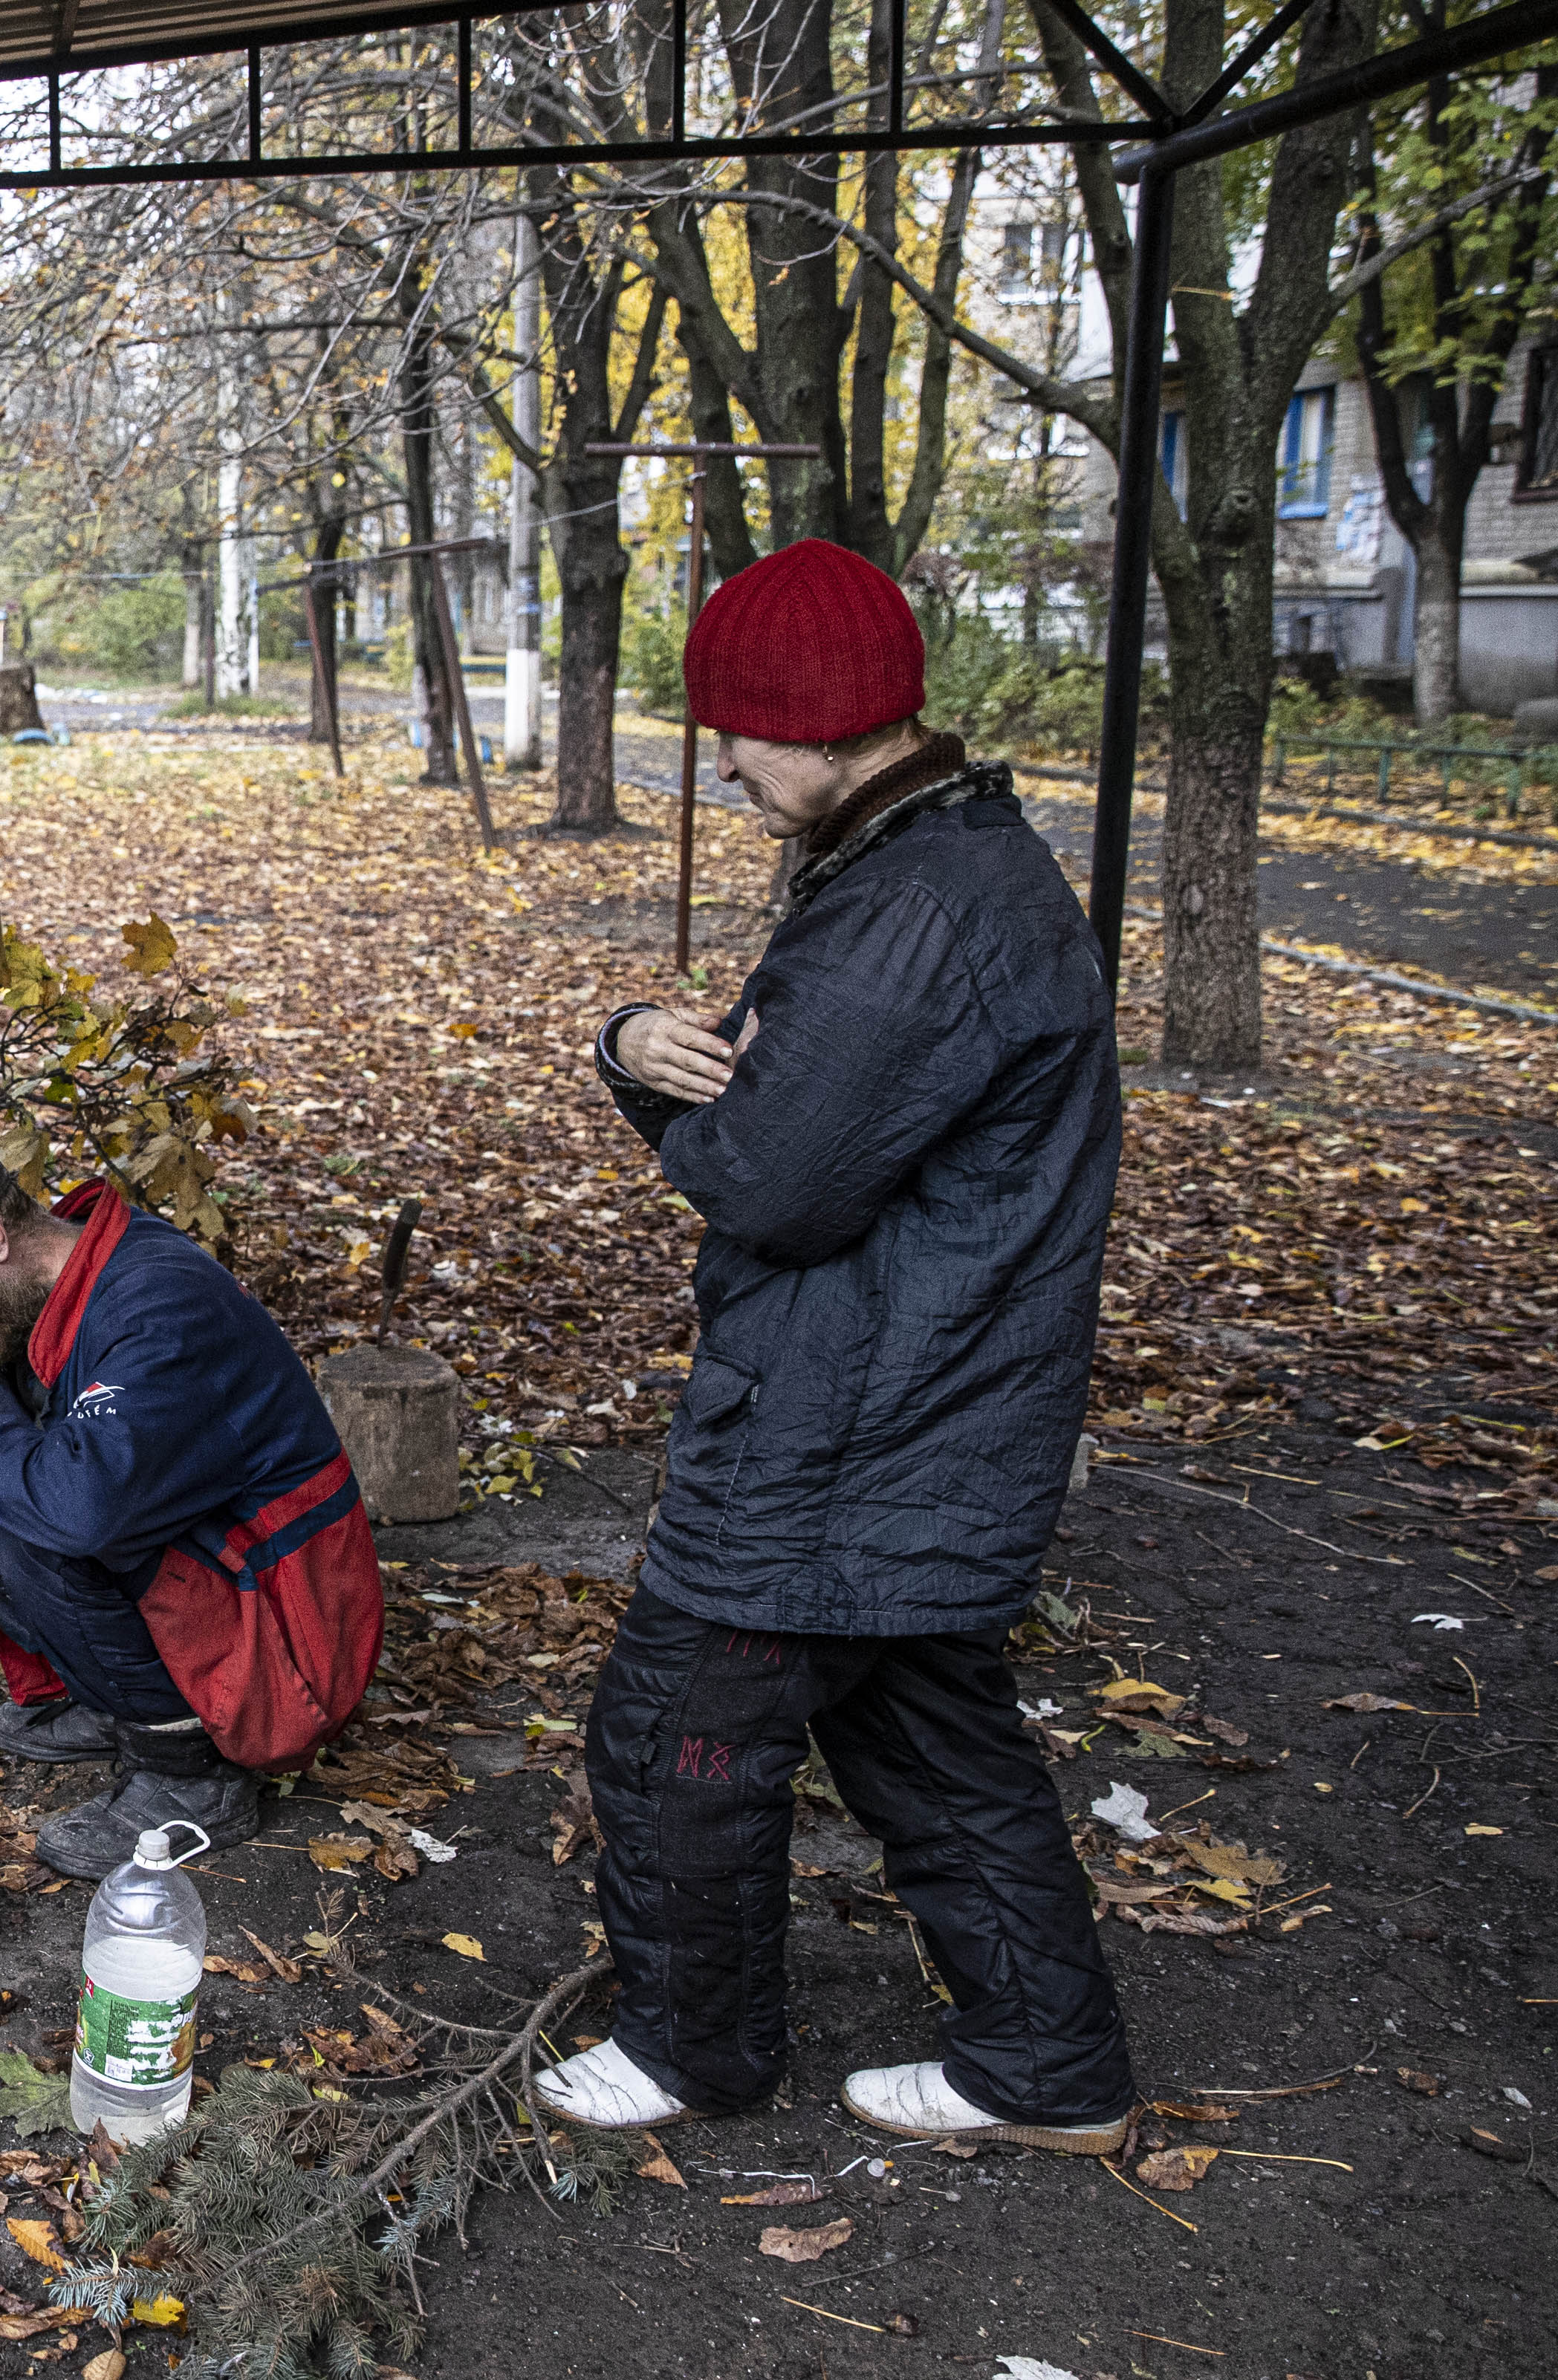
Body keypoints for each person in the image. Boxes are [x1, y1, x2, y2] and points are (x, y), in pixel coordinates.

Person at [532, 538, 1137, 2156]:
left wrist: (635, 1071)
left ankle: (693, 2046)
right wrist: (650, 1047)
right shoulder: (933, 865)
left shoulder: (914, 909)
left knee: (671, 1735)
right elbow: (794, 1099)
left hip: (851, 1421)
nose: (721, 765)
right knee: (925, 1733)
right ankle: (1048, 2065)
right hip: (932, 1402)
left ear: (817, 718)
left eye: (735, 732)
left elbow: (771, 1179)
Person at [0, 1136, 383, 1879]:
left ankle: (191, 1774)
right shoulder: (20, 1295)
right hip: (205, 1577)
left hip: (288, 1629)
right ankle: (114, 1701)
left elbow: (80, 1508)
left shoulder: (160, 1304)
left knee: (33, 1508)